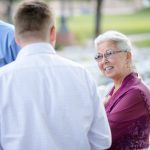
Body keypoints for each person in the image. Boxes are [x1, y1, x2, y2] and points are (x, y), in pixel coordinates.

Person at [0, 1, 111, 150]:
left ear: (16, 37)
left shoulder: (3, 79)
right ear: (53, 33)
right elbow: (102, 140)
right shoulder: (81, 74)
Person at [94, 30, 150, 149]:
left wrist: (97, 110)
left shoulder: (135, 93)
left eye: (109, 53)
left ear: (128, 56)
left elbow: (103, 136)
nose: (104, 61)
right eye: (99, 56)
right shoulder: (115, 88)